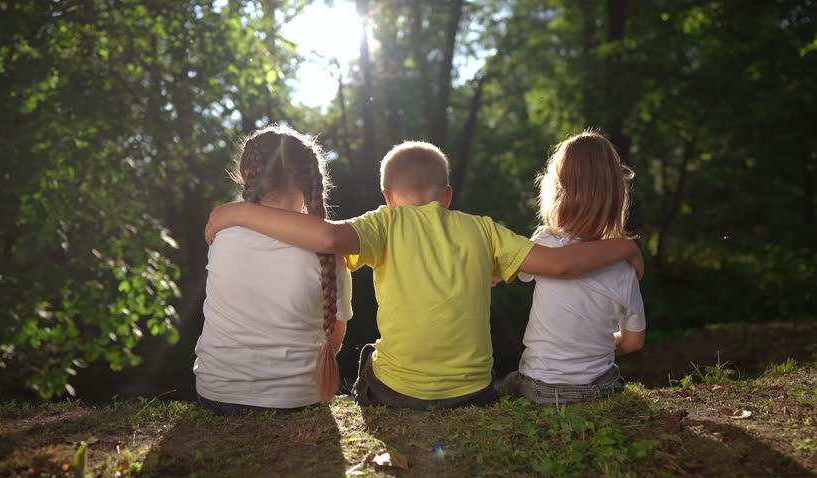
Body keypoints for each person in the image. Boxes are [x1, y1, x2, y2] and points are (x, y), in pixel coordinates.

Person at [205, 141, 642, 410]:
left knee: (371, 356)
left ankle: (368, 398)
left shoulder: (384, 223)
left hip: (399, 392)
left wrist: (237, 213)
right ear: (447, 196)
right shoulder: (481, 229)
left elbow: (329, 239)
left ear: (387, 197)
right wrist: (623, 246)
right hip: (473, 391)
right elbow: (561, 265)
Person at [193, 125, 353, 415]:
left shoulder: (222, 234)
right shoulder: (329, 253)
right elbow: (336, 338)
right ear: (310, 180)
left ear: (247, 174)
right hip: (299, 400)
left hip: (218, 394)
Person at [498, 131, 646, 405]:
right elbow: (633, 343)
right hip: (599, 389)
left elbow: (513, 270)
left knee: (507, 385)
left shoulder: (546, 243)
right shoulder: (625, 270)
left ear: (556, 190)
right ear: (617, 194)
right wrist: (594, 344)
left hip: (540, 387)